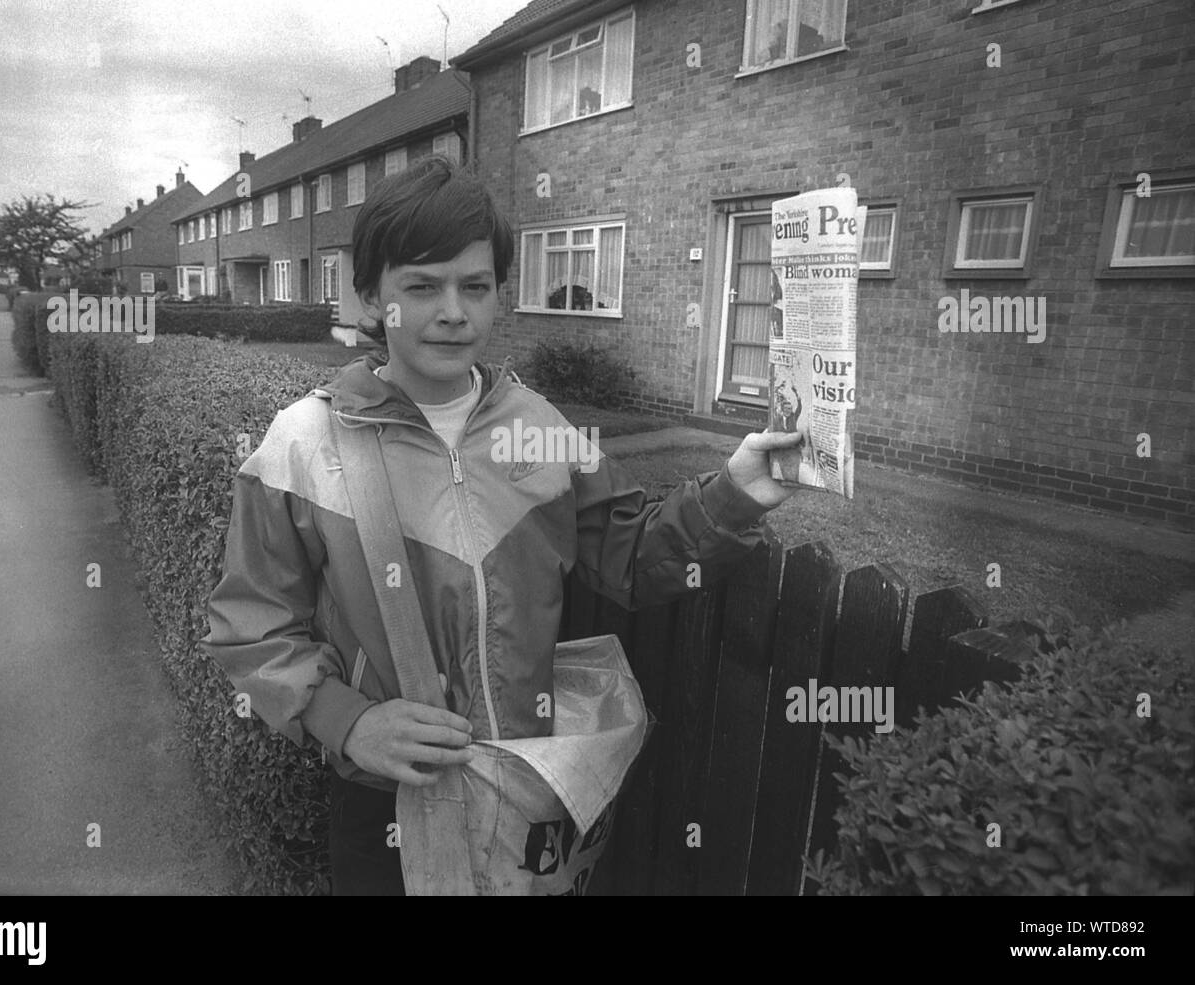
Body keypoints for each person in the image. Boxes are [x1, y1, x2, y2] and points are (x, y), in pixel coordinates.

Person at [201, 156, 804, 895]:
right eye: (421, 286)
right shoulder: (300, 443)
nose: (453, 310)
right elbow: (251, 624)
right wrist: (348, 721)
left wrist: (737, 492)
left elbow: (633, 557)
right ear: (368, 296)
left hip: (525, 787)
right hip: (384, 802)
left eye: (475, 286)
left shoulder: (538, 428)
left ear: (496, 297)